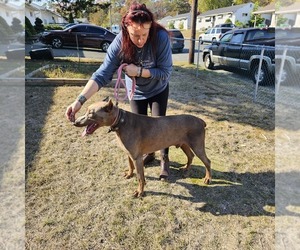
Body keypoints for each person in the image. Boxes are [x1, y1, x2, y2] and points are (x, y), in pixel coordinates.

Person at [65, 2, 173, 180]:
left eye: (144, 34)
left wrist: (138, 71)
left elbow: (165, 72)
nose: (140, 40)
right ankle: (150, 154)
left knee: (160, 127)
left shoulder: (160, 37)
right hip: (136, 92)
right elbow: (102, 75)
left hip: (158, 89)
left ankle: (164, 159)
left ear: (151, 28)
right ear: (126, 28)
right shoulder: (119, 43)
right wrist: (79, 101)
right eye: (135, 35)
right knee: (139, 129)